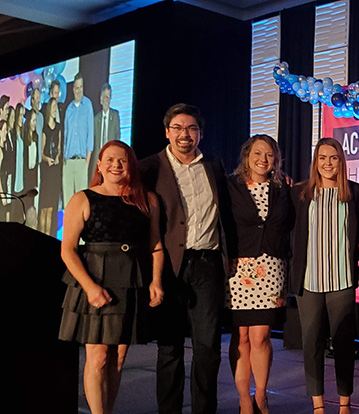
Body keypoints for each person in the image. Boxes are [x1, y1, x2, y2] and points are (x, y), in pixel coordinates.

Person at [58, 140, 164, 414]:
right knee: (98, 356)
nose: (116, 165)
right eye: (111, 160)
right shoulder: (82, 198)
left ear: (131, 166)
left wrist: (156, 281)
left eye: (123, 160)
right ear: (100, 166)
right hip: (95, 279)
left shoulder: (147, 199)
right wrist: (90, 287)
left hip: (130, 281)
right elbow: (68, 251)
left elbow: (156, 245)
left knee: (118, 357)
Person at [139, 103, 232, 414]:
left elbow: (228, 214)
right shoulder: (149, 168)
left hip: (208, 263)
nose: (184, 134)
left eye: (191, 128)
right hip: (167, 266)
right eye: (177, 128)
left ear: (200, 134)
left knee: (207, 347)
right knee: (169, 347)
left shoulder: (214, 165)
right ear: (167, 132)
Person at [290, 137, 359, 414]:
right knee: (312, 342)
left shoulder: (352, 191)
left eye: (333, 158)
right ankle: (318, 404)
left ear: (341, 161)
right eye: (322, 158)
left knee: (344, 343)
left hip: (342, 278)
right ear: (315, 162)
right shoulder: (300, 193)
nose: (328, 163)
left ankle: (345, 402)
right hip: (309, 280)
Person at [225, 134, 292, 414]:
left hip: (272, 269)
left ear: (276, 160)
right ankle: (243, 399)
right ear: (247, 157)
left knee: (261, 337)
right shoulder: (231, 187)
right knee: (241, 337)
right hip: (238, 270)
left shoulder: (283, 189)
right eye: (258, 154)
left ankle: (261, 395)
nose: (263, 160)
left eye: (269, 155)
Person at [63, 73, 94, 206]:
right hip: (68, 162)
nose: (79, 90)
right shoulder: (69, 109)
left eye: (81, 87)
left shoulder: (88, 105)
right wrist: (64, 159)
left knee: (81, 202)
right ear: (73, 89)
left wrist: (87, 159)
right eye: (77, 87)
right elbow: (65, 135)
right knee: (68, 203)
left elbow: (90, 132)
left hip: (82, 161)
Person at [39, 98, 62, 236]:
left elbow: (59, 147)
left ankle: (49, 237)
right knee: (44, 209)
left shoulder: (58, 127)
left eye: (56, 108)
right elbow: (41, 153)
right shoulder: (45, 129)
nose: (54, 110)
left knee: (52, 209)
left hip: (54, 172)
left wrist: (58, 157)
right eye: (53, 108)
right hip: (47, 171)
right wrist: (47, 159)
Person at [90, 83, 120, 183]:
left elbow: (117, 137)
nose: (106, 99)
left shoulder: (115, 115)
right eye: (104, 97)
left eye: (108, 97)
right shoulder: (96, 118)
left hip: (111, 156)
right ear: (100, 99)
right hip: (98, 157)